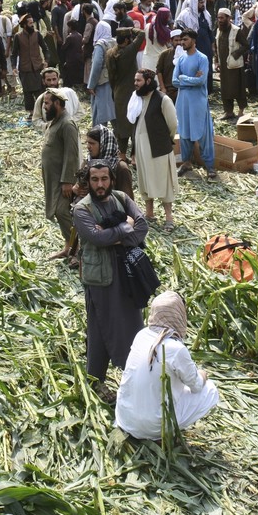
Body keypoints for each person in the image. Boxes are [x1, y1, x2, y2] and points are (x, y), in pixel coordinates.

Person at [72, 160, 150, 399]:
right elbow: (96, 239)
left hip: (126, 274)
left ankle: (134, 374)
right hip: (100, 278)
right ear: (88, 182)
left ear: (111, 180)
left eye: (104, 179)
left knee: (132, 323)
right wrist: (124, 229)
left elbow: (142, 227)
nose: (100, 185)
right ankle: (96, 379)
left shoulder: (122, 199)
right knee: (99, 327)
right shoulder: (81, 209)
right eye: (94, 180)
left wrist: (114, 234)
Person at [114, 291, 220, 440]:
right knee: (210, 390)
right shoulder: (175, 349)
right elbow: (196, 385)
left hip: (124, 418)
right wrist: (203, 374)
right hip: (153, 426)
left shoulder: (141, 335)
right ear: (178, 315)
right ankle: (163, 435)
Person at [127, 69, 178, 228]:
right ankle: (149, 213)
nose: (135, 84)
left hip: (159, 147)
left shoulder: (164, 100)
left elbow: (173, 124)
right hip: (141, 148)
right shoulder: (137, 99)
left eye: (138, 81)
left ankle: (169, 218)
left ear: (148, 81)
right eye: (135, 80)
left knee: (164, 181)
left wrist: (163, 139)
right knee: (145, 179)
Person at [41, 90, 81, 255]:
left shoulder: (67, 124)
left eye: (47, 103)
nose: (44, 107)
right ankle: (69, 245)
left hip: (62, 180)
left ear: (57, 104)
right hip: (53, 178)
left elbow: (72, 155)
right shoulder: (55, 121)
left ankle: (76, 248)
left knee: (62, 211)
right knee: (59, 212)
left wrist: (67, 181)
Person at [172, 28, 215, 176]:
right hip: (183, 101)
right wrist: (190, 80)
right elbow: (174, 81)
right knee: (184, 133)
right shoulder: (181, 59)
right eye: (181, 40)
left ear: (193, 41)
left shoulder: (202, 58)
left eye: (185, 40)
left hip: (198, 102)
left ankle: (210, 166)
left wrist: (184, 78)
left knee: (202, 133)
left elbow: (201, 81)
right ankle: (186, 163)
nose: (182, 42)